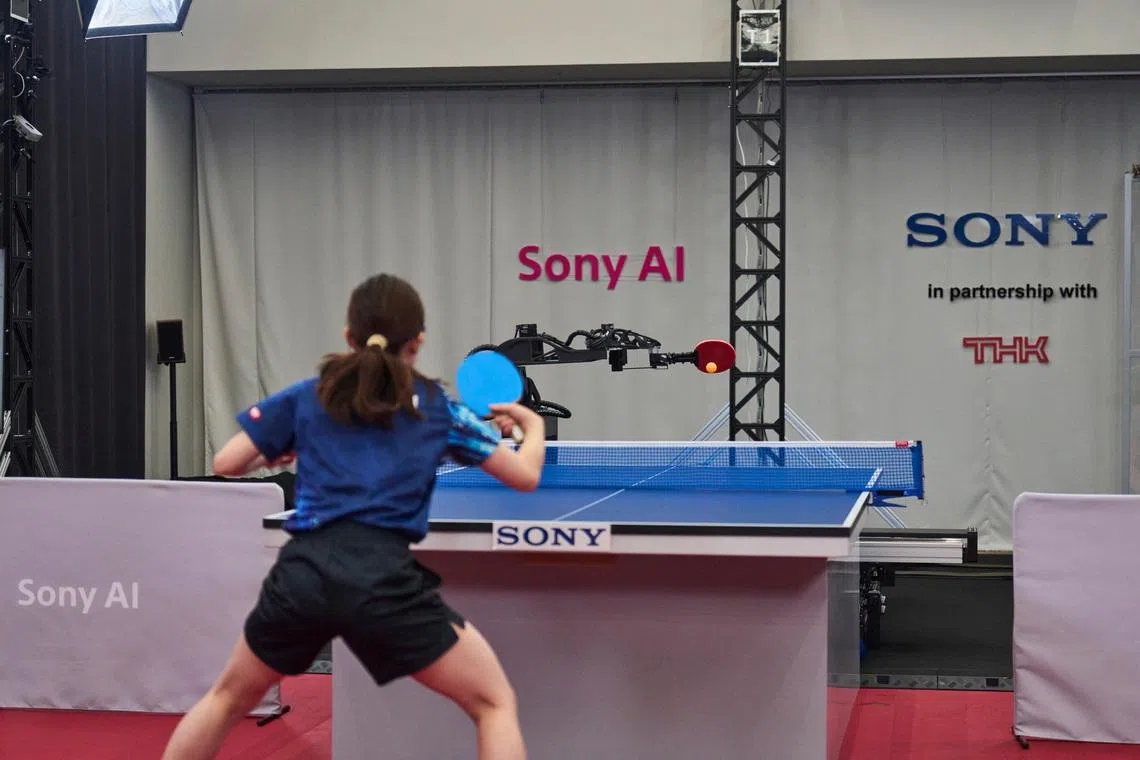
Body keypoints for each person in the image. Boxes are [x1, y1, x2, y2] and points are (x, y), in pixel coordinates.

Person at [161, 273, 544, 760]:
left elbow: (227, 463)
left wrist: (276, 451)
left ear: (349, 336)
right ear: (418, 342)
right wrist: (529, 427)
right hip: (384, 582)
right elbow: (524, 476)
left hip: (303, 576)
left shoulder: (310, 394)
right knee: (493, 704)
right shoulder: (440, 410)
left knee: (226, 699)